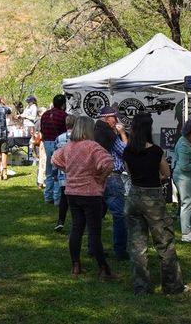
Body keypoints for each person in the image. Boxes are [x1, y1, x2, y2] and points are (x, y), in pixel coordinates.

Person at [124, 112, 185, 295]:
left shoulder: (127, 151)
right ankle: (172, 285)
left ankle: (141, 286)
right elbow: (166, 174)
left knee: (136, 245)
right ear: (149, 129)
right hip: (153, 198)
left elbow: (129, 172)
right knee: (164, 242)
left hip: (134, 196)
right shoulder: (156, 151)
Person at [52, 116, 117, 280]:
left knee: (76, 229)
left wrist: (68, 169)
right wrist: (100, 177)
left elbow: (54, 158)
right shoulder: (92, 147)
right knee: (94, 232)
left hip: (72, 192)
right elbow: (108, 163)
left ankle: (75, 265)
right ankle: (104, 269)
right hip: (90, 192)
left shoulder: (68, 147)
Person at [97, 106, 129, 260]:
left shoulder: (94, 132)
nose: (116, 120)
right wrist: (122, 134)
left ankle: (93, 247)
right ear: (106, 118)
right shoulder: (110, 135)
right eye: (114, 117)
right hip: (112, 177)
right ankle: (120, 251)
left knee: (96, 215)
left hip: (96, 177)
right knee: (120, 215)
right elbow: (126, 152)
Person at [39, 95, 69, 202]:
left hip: (47, 143)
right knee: (58, 170)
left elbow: (41, 130)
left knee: (49, 170)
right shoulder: (64, 115)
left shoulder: (45, 115)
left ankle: (48, 196)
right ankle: (57, 198)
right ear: (63, 104)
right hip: (59, 143)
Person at [53, 115, 77, 230]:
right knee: (75, 198)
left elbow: (55, 155)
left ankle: (60, 220)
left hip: (62, 172)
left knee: (64, 196)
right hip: (76, 172)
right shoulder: (79, 138)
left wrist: (54, 172)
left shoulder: (59, 138)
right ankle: (76, 221)